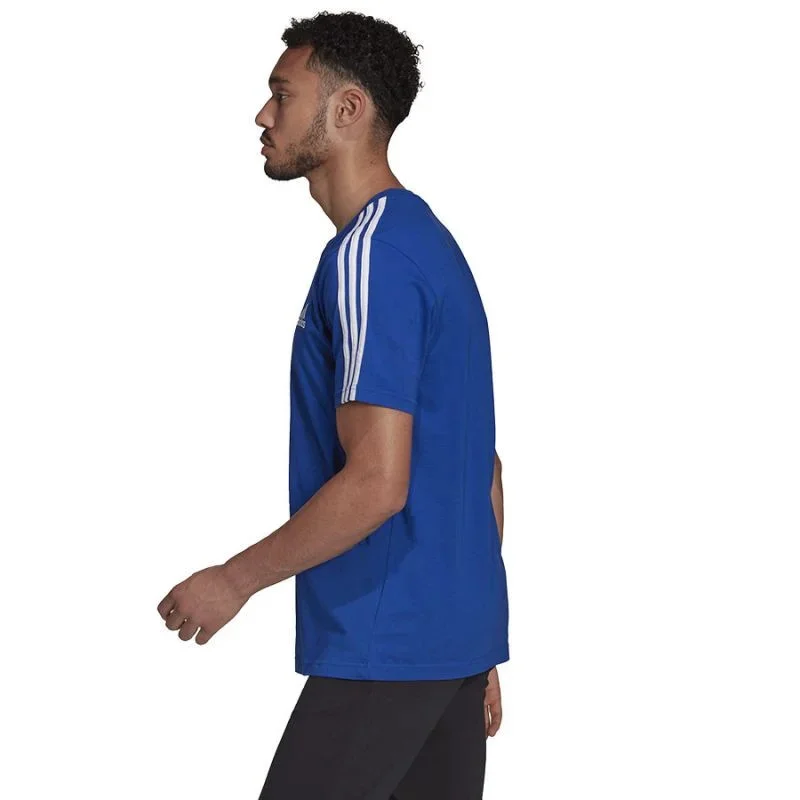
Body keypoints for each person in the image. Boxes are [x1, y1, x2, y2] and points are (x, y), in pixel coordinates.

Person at [156, 11, 509, 799]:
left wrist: (234, 580)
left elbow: (378, 482)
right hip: (450, 648)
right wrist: (477, 643)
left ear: (348, 109)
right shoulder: (431, 245)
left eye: (282, 94)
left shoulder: (368, 258)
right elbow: (481, 466)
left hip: (386, 643)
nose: (263, 114)